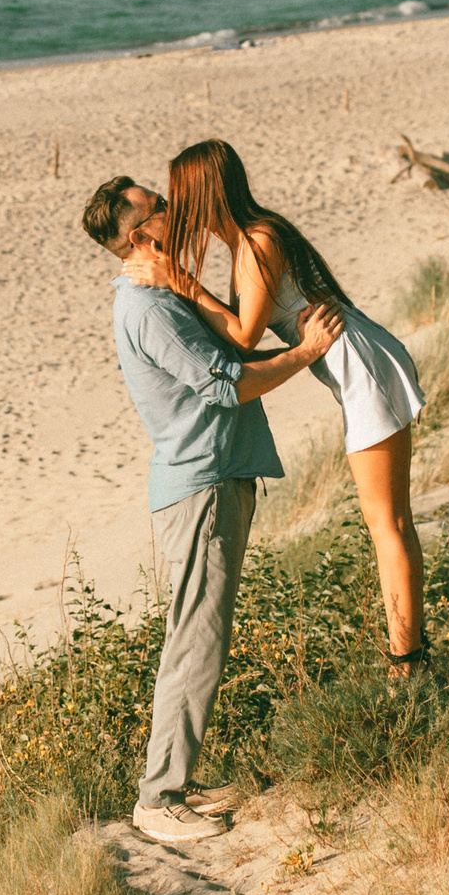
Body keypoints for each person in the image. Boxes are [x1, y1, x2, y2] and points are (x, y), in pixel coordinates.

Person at [83, 174, 343, 844]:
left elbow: (228, 349)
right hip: (198, 485)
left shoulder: (164, 291)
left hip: (218, 475)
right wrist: (307, 352)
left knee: (200, 636)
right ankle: (159, 797)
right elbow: (228, 383)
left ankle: (178, 780)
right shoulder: (148, 309)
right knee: (195, 641)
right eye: (157, 206)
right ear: (140, 235)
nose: (173, 207)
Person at [126, 140, 429, 678]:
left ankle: (409, 666)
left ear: (201, 193)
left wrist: (179, 282)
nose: (172, 209)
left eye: (175, 197)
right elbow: (248, 343)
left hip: (363, 367)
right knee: (388, 523)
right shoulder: (250, 239)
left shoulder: (258, 241)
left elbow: (241, 339)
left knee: (389, 523)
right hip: (358, 363)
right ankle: (409, 660)